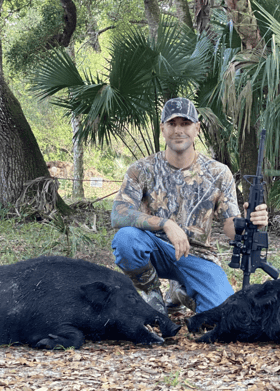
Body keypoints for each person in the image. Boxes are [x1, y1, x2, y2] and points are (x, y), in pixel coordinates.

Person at [110, 97, 268, 315]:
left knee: (221, 313)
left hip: (198, 256)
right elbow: (118, 215)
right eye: (172, 124)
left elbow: (230, 228)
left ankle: (181, 292)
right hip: (155, 248)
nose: (178, 130)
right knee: (126, 239)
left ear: (197, 129)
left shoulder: (218, 173)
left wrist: (250, 224)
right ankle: (151, 293)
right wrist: (165, 224)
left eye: (185, 124)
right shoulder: (141, 169)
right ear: (162, 129)